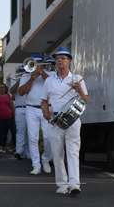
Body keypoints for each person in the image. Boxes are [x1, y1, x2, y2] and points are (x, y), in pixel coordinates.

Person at [41, 47, 89, 195]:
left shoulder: (77, 78)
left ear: (69, 61)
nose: (60, 60)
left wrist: (79, 90)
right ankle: (62, 185)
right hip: (56, 120)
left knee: (73, 152)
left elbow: (86, 99)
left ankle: (74, 184)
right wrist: (47, 114)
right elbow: (43, 102)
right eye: (58, 58)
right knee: (57, 153)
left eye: (63, 58)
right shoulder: (49, 80)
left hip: (73, 119)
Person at [19, 53, 52, 175]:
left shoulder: (51, 74)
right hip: (31, 108)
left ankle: (46, 160)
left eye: (38, 64)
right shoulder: (25, 75)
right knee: (33, 138)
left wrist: (42, 73)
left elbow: (52, 86)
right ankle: (36, 165)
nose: (35, 67)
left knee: (48, 138)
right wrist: (32, 78)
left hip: (46, 108)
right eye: (33, 64)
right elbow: (21, 92)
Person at [12, 66, 29, 160]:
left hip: (30, 108)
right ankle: (19, 151)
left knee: (30, 132)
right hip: (19, 109)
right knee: (20, 131)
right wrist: (19, 82)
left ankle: (29, 153)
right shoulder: (17, 81)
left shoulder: (30, 80)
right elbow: (11, 91)